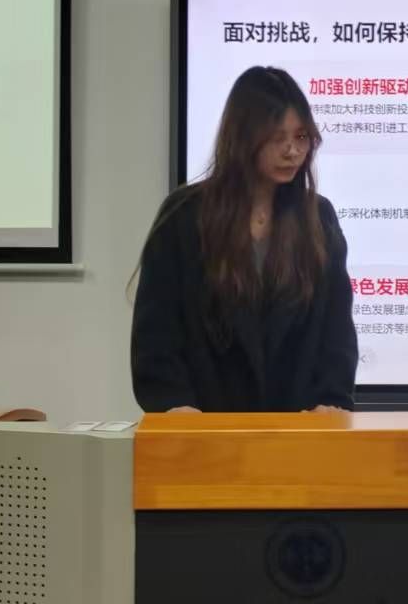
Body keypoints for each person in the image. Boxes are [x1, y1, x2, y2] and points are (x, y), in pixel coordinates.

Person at [131, 65, 358, 414]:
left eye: (301, 137)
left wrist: (332, 402)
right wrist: (173, 406)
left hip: (300, 428)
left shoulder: (318, 218)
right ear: (243, 137)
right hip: (203, 428)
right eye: (277, 137)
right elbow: (156, 331)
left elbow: (336, 331)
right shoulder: (184, 216)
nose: (292, 151)